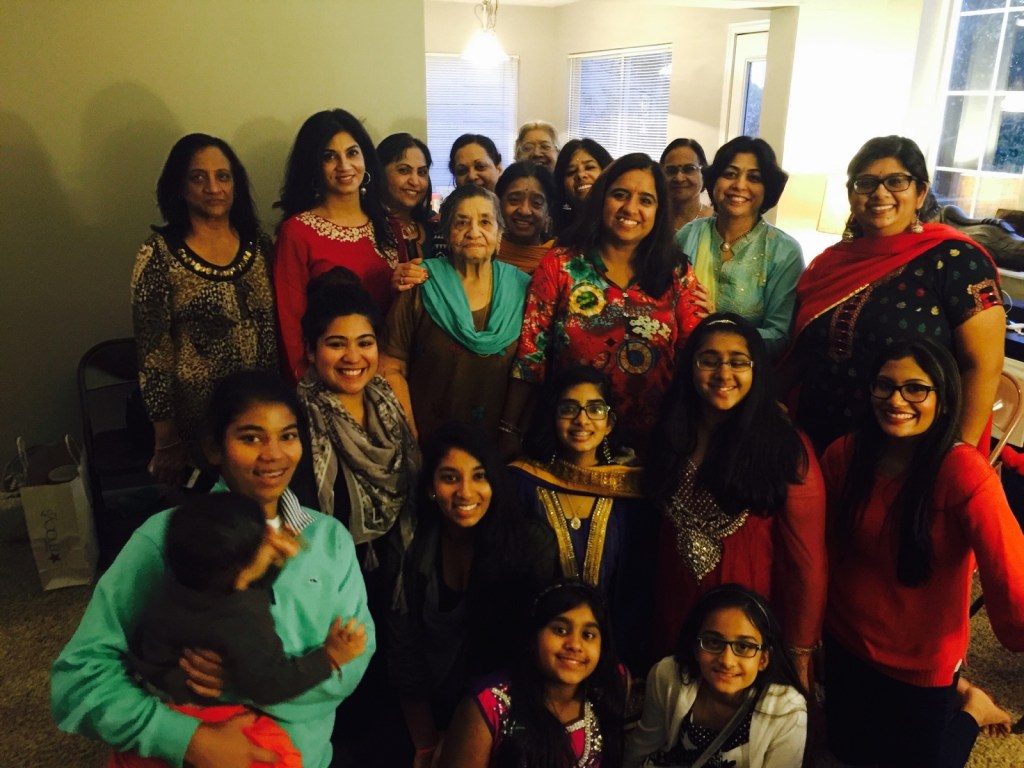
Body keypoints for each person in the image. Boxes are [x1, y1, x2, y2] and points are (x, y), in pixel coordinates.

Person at [51, 371, 374, 768]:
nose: (273, 454)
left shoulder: (329, 539)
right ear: (214, 448)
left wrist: (244, 684)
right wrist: (188, 741)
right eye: (250, 438)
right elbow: (78, 678)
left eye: (288, 436)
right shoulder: (168, 538)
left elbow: (355, 656)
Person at [820, 338, 1024, 767]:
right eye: (885, 386)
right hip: (844, 639)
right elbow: (824, 552)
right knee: (844, 752)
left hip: (921, 664)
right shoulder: (844, 454)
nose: (896, 400)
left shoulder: (965, 474)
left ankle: (972, 709)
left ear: (944, 400)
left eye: (915, 388)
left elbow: (1012, 578)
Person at [786, 135, 1005, 453]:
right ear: (851, 194)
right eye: (866, 183)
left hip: (907, 447)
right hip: (816, 433)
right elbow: (801, 356)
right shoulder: (829, 264)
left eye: (896, 181)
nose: (880, 193)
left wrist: (956, 456)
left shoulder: (956, 260)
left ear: (920, 193)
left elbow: (983, 366)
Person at [115, 492, 367, 768]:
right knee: (282, 758)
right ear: (243, 574)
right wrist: (330, 657)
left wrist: (273, 561)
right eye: (263, 538)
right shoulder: (242, 621)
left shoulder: (188, 578)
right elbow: (269, 684)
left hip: (157, 684)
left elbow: (243, 581)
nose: (272, 534)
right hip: (204, 717)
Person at [646, 314, 826, 688]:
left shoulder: (783, 448)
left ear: (756, 369)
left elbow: (806, 563)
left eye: (738, 362)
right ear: (690, 368)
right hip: (672, 612)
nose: (723, 373)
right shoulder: (669, 434)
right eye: (709, 360)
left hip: (747, 630)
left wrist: (799, 651)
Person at [508, 153, 705, 457]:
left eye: (646, 200)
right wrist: (509, 430)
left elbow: (697, 354)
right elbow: (530, 359)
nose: (630, 208)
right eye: (620, 195)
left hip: (653, 446)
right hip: (572, 440)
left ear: (659, 210)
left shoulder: (677, 273)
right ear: (602, 199)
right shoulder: (561, 265)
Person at [388, 422, 559, 767]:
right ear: (431, 488)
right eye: (450, 477)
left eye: (479, 476)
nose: (466, 493)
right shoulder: (410, 544)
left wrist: (469, 733)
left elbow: (528, 651)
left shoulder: (530, 545)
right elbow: (403, 648)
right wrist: (426, 743)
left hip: (502, 711)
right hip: (422, 710)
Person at [131, 133, 278, 485]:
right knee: (210, 514)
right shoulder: (158, 254)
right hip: (197, 425)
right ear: (180, 187)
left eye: (222, 176)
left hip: (262, 412)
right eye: (198, 177)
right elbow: (153, 354)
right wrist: (166, 438)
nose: (213, 187)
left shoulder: (260, 244)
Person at [507, 366, 654, 671]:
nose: (582, 420)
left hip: (609, 654)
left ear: (609, 424)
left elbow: (638, 589)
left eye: (595, 409)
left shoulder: (631, 494)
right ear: (553, 417)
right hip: (532, 651)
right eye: (569, 409)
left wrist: (618, 661)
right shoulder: (522, 483)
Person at [381, 184, 529, 440]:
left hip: (497, 443)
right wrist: (409, 435)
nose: (474, 232)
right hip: (426, 439)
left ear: (499, 236)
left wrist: (511, 435)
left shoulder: (523, 289)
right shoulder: (420, 282)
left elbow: (532, 371)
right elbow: (391, 365)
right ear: (447, 234)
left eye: (485, 222)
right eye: (461, 223)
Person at [440, 580, 626, 768]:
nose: (575, 645)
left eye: (588, 635)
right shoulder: (489, 706)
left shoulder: (606, 692)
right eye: (560, 630)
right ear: (533, 636)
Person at [274, 108, 399, 384]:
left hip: (386, 373)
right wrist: (307, 387)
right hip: (328, 377)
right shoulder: (297, 232)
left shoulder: (389, 225)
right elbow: (289, 323)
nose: (344, 165)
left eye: (352, 153)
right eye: (329, 157)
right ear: (313, 166)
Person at [624, 584, 808, 768]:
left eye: (743, 646)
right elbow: (641, 749)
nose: (727, 661)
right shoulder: (668, 676)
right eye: (713, 642)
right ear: (695, 648)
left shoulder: (786, 709)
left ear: (763, 659)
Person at [674, 136, 803, 361]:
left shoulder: (783, 251)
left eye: (754, 178)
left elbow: (779, 336)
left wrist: (719, 326)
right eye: (730, 174)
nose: (739, 185)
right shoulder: (689, 234)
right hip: (681, 366)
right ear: (714, 181)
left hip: (742, 373)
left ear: (767, 188)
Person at [377, 132, 437, 263]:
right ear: (380, 172)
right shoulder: (365, 227)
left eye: (422, 172)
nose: (415, 181)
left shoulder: (433, 226)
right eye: (404, 170)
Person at [494, 161, 557, 274]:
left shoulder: (560, 260)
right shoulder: (484, 254)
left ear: (548, 211)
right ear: (499, 203)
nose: (524, 211)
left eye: (536, 202)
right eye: (514, 200)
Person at [552, 138, 613, 235]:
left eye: (589, 167)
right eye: (571, 172)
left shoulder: (618, 223)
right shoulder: (556, 230)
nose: (580, 175)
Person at [660, 138, 713, 232]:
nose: (679, 178)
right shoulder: (653, 219)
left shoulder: (716, 222)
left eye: (689, 169)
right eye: (671, 170)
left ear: (703, 172)